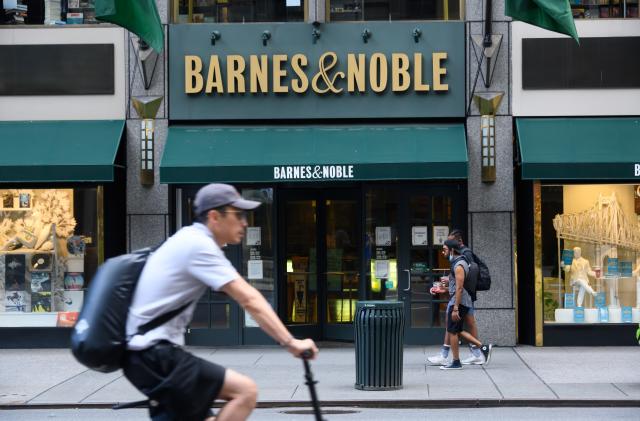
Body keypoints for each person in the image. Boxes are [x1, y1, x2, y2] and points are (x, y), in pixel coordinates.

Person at [123, 183, 318, 421]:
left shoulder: (189, 240)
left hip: (145, 355)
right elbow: (250, 299)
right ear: (215, 216)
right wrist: (291, 343)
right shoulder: (199, 246)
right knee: (245, 392)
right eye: (239, 215)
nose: (245, 222)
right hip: (154, 354)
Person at [427, 229, 486, 366]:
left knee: (455, 327)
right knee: (458, 327)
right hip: (462, 296)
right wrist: (446, 286)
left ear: (457, 244)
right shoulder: (460, 258)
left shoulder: (463, 257)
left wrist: (455, 307)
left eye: (447, 247)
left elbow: (463, 280)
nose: (443, 252)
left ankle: (454, 357)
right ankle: (478, 351)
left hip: (462, 297)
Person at [438, 239, 492, 370]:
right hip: (459, 299)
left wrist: (455, 308)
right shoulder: (458, 263)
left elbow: (460, 288)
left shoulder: (459, 265)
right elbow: (456, 286)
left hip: (459, 301)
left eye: (445, 249)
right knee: (457, 330)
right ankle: (482, 347)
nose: (443, 252)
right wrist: (444, 289)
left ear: (452, 250)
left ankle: (456, 362)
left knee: (452, 330)